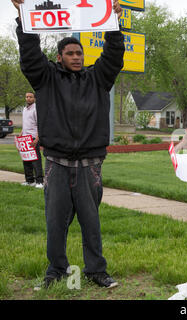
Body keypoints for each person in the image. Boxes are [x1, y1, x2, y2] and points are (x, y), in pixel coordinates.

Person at [12, 0, 125, 288]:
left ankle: (96, 271)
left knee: (91, 222)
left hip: (90, 165)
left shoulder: (98, 79)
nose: (76, 57)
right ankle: (57, 270)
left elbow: (113, 57)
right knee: (55, 223)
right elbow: (29, 55)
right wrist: (22, 16)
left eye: (79, 53)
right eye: (70, 53)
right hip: (57, 164)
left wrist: (114, 25)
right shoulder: (46, 79)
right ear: (60, 57)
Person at [20, 92, 44, 189]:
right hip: (25, 138)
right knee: (26, 160)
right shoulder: (25, 109)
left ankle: (40, 182)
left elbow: (40, 125)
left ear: (34, 98)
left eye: (30, 97)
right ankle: (29, 180)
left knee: (35, 160)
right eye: (26, 97)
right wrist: (21, 134)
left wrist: (37, 139)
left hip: (33, 138)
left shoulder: (36, 109)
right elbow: (25, 123)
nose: (28, 98)